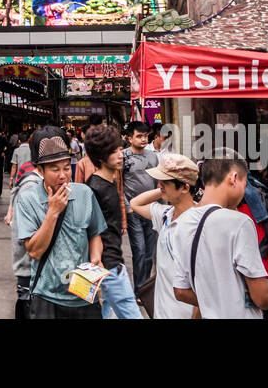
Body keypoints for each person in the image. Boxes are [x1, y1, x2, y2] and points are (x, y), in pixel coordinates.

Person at [171, 157, 268, 319]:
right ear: (234, 178)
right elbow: (262, 297)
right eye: (244, 184)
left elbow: (181, 292)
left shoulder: (181, 223)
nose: (244, 192)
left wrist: (214, 302)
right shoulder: (239, 222)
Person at [15, 136, 105, 318]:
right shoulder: (28, 200)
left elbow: (94, 233)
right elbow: (34, 251)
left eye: (66, 167)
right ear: (40, 170)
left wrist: (96, 258)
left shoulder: (84, 194)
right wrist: (53, 212)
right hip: (47, 297)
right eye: (55, 169)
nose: (63, 175)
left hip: (84, 294)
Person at [82, 124, 142, 318]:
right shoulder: (94, 188)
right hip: (108, 265)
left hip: (113, 261)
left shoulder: (111, 181)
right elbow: (90, 230)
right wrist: (103, 263)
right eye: (114, 152)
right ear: (100, 157)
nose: (121, 155)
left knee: (108, 313)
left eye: (119, 149)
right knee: (132, 314)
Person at [130, 153, 200, 319]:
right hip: (162, 311)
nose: (159, 185)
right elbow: (135, 204)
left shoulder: (199, 223)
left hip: (185, 313)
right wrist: (162, 189)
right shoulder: (165, 215)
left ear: (185, 188)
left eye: (165, 182)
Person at [5, 126, 64, 318]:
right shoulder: (31, 188)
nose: (62, 173)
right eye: (55, 166)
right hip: (32, 273)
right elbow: (33, 247)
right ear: (40, 165)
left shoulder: (60, 187)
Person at [121, 121, 160, 285]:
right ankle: (139, 288)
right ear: (129, 138)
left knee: (150, 252)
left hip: (151, 209)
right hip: (133, 211)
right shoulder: (123, 157)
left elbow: (158, 182)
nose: (144, 139)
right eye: (139, 136)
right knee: (140, 251)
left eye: (145, 136)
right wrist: (127, 207)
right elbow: (118, 184)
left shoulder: (153, 156)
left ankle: (144, 287)